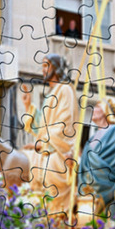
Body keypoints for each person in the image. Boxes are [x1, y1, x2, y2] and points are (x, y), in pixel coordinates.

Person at [19, 54, 78, 217]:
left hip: (59, 153)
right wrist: (28, 106)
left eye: (46, 66)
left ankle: (54, 216)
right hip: (48, 149)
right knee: (23, 158)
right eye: (43, 66)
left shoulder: (65, 90)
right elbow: (44, 125)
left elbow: (64, 126)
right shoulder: (52, 93)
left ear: (56, 68)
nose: (43, 70)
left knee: (43, 168)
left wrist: (41, 144)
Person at [76, 98, 115, 214]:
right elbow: (84, 170)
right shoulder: (90, 141)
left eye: (97, 106)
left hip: (111, 198)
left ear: (106, 111)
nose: (93, 109)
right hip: (88, 201)